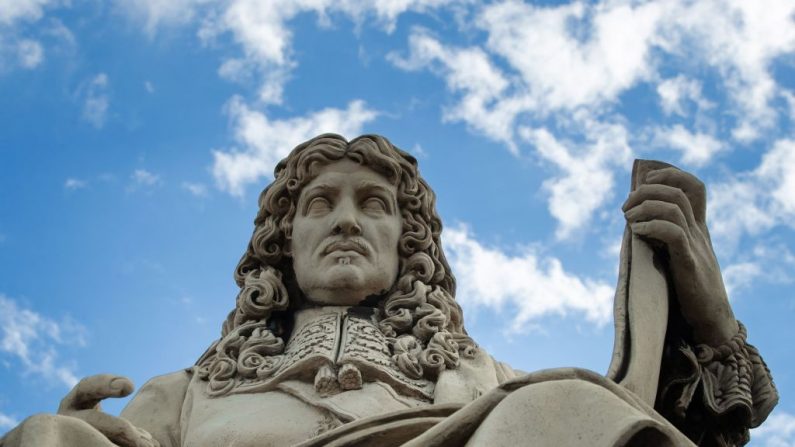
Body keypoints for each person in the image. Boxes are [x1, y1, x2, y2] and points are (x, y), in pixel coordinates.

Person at [1, 134, 778, 447]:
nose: (345, 219)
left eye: (372, 203)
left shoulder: (495, 385)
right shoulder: (184, 394)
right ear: (283, 243)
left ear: (408, 244)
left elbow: (649, 427)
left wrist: (708, 328)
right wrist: (73, 435)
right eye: (320, 203)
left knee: (566, 407)